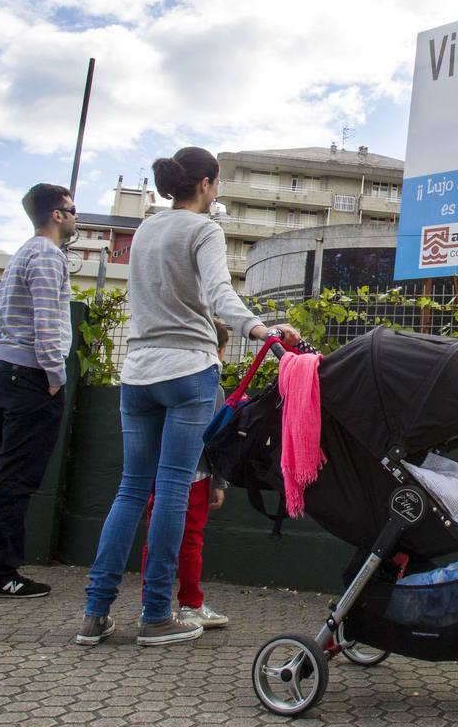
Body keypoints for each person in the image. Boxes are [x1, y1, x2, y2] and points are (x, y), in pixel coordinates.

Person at [76, 146, 299, 647]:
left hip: (137, 371)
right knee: (174, 492)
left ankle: (95, 613)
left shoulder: (147, 229)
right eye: (217, 184)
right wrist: (262, 330)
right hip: (188, 369)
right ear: (205, 184)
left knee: (131, 490)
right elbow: (220, 294)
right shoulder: (205, 230)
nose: (217, 192)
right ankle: (156, 615)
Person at [0, 183, 77, 598]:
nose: (76, 217)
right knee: (16, 476)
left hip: (3, 369)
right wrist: (55, 375)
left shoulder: (23, 252)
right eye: (72, 210)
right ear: (57, 214)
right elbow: (47, 320)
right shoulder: (46, 255)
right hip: (30, 375)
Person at [136, 317, 232, 631]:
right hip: (196, 475)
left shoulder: (161, 379)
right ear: (216, 349)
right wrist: (219, 482)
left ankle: (151, 603)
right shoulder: (212, 387)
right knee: (191, 539)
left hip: (159, 471)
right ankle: (191, 603)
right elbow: (214, 440)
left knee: (155, 536)